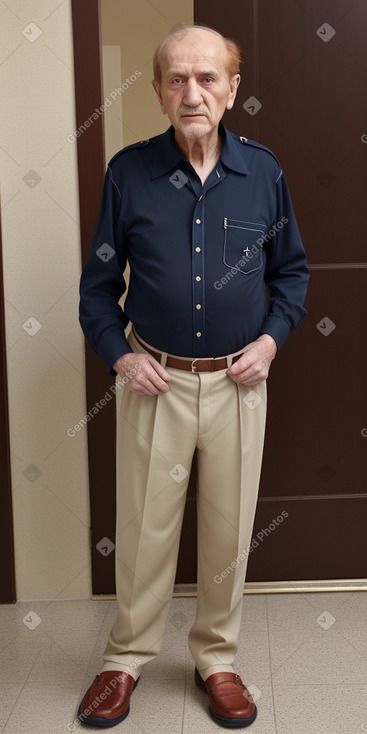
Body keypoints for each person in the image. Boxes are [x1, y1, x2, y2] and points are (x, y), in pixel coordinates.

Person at [77, 24, 309, 729]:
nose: (191, 92)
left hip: (239, 384)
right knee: (145, 530)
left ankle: (217, 661)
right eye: (176, 79)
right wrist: (120, 354)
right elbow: (96, 289)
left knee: (226, 530)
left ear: (232, 90)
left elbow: (292, 274)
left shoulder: (264, 172)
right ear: (155, 91)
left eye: (207, 78)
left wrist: (270, 344)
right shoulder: (128, 172)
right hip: (159, 383)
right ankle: (124, 661)